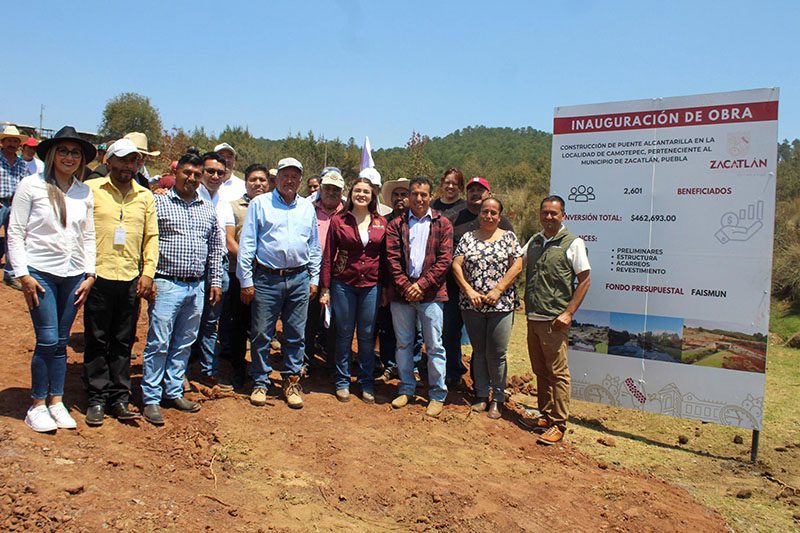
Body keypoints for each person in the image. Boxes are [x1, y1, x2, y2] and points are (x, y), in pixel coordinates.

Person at [7, 126, 97, 432]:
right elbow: (16, 231)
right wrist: (22, 274)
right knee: (46, 338)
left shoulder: (84, 192)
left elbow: (88, 236)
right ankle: (37, 405)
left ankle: (56, 401)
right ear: (52, 155)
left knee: (60, 341)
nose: (69, 157)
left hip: (74, 275)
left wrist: (90, 273)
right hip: (40, 272)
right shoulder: (31, 185)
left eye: (75, 153)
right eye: (63, 151)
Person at [140, 150, 224, 426]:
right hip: (166, 283)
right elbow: (146, 241)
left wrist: (214, 281)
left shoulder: (207, 208)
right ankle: (151, 397)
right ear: (176, 173)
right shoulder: (159, 203)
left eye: (197, 174)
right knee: (159, 342)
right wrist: (147, 276)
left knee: (184, 342)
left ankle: (173, 390)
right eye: (187, 172)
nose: (192, 178)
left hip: (196, 286)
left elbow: (215, 249)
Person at [83, 139, 158, 426]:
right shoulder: (92, 190)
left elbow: (151, 237)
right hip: (97, 276)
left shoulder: (145, 196)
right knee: (97, 338)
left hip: (129, 278)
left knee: (123, 340)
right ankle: (97, 398)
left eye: (133, 161)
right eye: (122, 160)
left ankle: (119, 397)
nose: (127, 166)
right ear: (109, 161)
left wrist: (148, 272)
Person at [237, 157, 321, 409]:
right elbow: (248, 243)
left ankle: (292, 381)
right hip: (267, 278)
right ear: (277, 178)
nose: (289, 180)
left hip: (299, 278)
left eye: (295, 176)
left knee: (295, 334)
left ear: (300, 180)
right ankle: (260, 382)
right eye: (285, 175)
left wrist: (314, 278)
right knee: (261, 333)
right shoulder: (260, 204)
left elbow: (313, 246)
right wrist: (246, 280)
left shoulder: (307, 207)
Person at [524, 195, 591, 445]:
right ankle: (545, 415)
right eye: (545, 212)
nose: (549, 217)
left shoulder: (573, 243)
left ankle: (559, 423)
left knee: (558, 373)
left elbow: (585, 280)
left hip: (554, 320)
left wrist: (569, 312)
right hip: (533, 317)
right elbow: (517, 264)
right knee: (540, 370)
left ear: (564, 215)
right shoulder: (535, 240)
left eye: (554, 213)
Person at [385, 176, 453, 417]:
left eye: (424, 194)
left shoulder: (443, 224)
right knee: (403, 344)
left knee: (434, 346)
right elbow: (392, 260)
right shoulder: (396, 224)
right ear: (409, 196)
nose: (419, 198)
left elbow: (444, 260)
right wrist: (406, 286)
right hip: (401, 294)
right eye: (414, 193)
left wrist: (421, 285)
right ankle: (406, 388)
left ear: (431, 196)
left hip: (431, 295)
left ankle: (437, 394)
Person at [452, 197, 522, 419]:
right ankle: (481, 395)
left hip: (501, 305)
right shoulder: (468, 238)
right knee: (479, 351)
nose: (489, 216)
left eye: (493, 212)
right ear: (479, 214)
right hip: (472, 304)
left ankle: (498, 398)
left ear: (499, 216)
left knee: (497, 353)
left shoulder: (508, 237)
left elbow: (518, 265)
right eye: (485, 211)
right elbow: (456, 264)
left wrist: (499, 289)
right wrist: (468, 291)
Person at [319, 176, 387, 403]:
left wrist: (385, 288)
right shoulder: (339, 220)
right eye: (357, 190)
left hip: (372, 285)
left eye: (366, 191)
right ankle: (342, 381)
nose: (361, 195)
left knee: (367, 335)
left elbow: (385, 258)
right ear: (351, 194)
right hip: (343, 284)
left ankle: (366, 382)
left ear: (372, 196)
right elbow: (328, 255)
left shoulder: (381, 222)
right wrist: (325, 287)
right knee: (344, 333)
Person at [443, 176, 515, 388]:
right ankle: (453, 372)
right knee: (450, 333)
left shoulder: (503, 223)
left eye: (480, 190)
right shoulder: (454, 219)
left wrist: (500, 289)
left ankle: (480, 383)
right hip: (456, 290)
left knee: (484, 342)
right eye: (471, 190)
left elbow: (514, 261)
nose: (475, 193)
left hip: (493, 297)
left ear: (488, 194)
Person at [217, 163, 269, 389]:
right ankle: (238, 367)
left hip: (267, 277)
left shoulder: (274, 206)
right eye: (253, 179)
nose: (258, 184)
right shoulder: (233, 206)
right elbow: (230, 241)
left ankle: (259, 369)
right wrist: (251, 261)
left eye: (262, 180)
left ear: (269, 183)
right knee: (238, 323)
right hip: (239, 274)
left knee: (261, 325)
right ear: (246, 182)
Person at [191, 151, 234, 391]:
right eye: (210, 171)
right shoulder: (191, 196)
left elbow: (228, 238)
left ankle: (208, 371)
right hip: (194, 267)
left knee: (210, 323)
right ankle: (182, 372)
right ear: (201, 171)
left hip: (220, 268)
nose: (215, 176)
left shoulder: (224, 202)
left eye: (220, 172)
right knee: (188, 321)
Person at [376, 177, 423, 380]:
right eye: (395, 195)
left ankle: (414, 366)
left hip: (415, 285)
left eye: (404, 194)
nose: (399, 198)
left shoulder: (418, 222)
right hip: (389, 284)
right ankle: (390, 365)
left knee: (416, 329)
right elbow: (381, 257)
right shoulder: (383, 222)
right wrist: (384, 286)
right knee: (387, 326)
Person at [304, 170, 344, 370]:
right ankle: (305, 361)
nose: (331, 192)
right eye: (327, 188)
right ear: (321, 188)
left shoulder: (347, 213)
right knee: (307, 320)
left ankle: (333, 365)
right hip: (309, 272)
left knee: (336, 322)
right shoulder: (307, 208)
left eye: (336, 189)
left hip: (338, 274)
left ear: (342, 191)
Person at [0, 125, 30, 289]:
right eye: (9, 141)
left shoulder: (21, 164)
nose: (12, 144)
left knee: (13, 239)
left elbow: (25, 186)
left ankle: (10, 274)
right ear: (2, 142)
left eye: (15, 141)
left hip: (15, 204)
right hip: (0, 203)